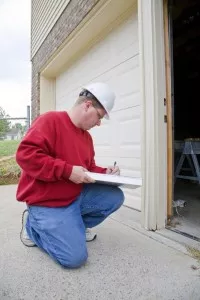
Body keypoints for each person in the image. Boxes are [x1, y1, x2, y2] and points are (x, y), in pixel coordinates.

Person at [16, 82, 124, 268]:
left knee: (115, 197)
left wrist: (106, 172)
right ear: (87, 105)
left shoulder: (86, 138)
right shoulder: (50, 121)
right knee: (74, 259)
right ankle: (33, 227)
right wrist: (66, 171)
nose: (98, 123)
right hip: (46, 203)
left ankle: (75, 227)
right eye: (99, 116)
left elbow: (87, 168)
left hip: (74, 197)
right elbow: (25, 155)